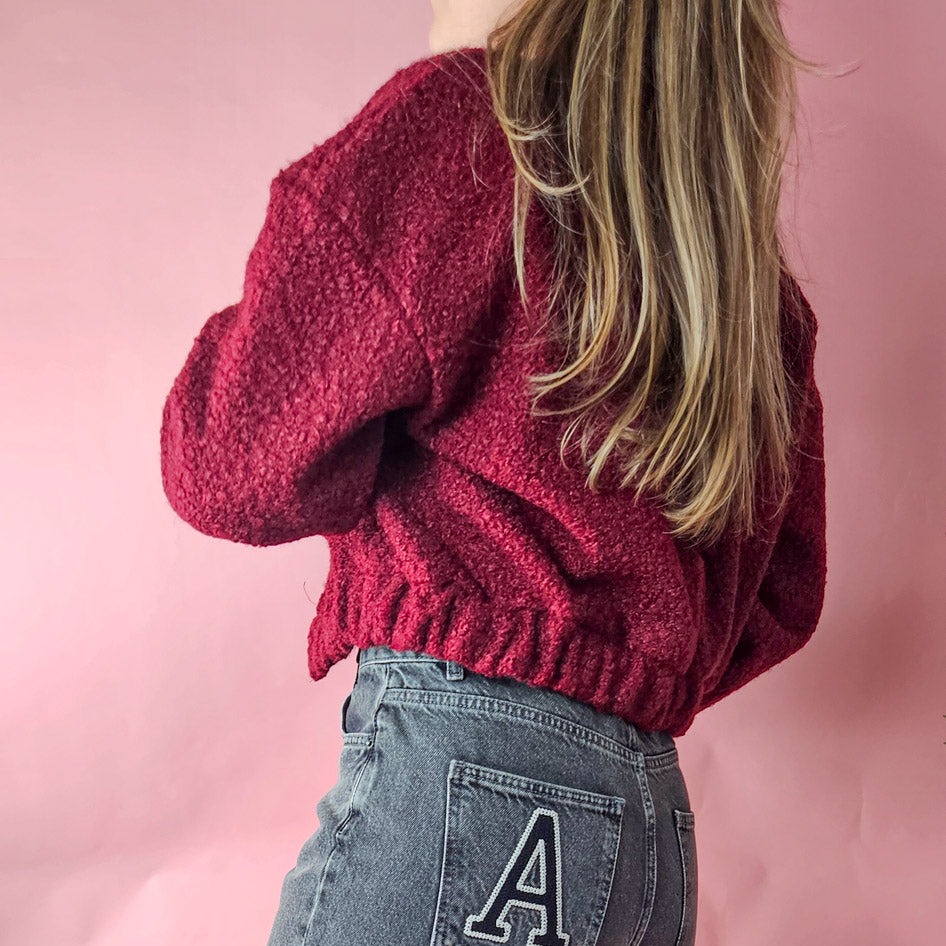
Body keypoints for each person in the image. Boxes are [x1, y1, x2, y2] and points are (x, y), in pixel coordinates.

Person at [160, 1, 830, 943]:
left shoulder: (461, 138)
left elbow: (227, 462)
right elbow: (781, 595)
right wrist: (603, 667)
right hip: (649, 829)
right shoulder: (746, 280)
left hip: (472, 784)